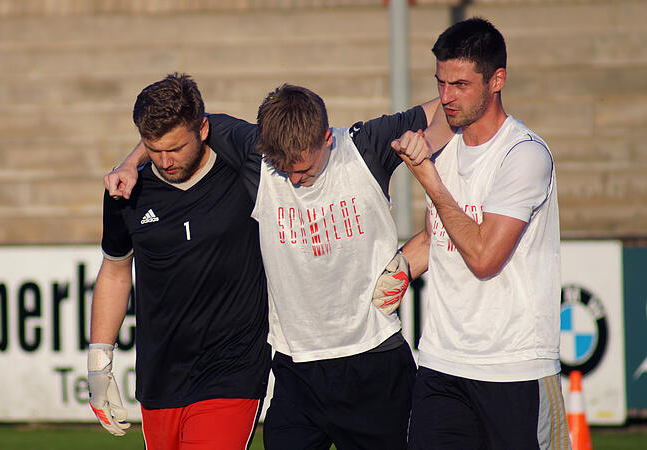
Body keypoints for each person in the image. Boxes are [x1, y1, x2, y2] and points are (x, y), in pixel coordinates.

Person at [108, 83, 451, 449]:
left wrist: (428, 142)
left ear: (326, 138)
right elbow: (179, 124)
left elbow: (451, 105)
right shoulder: (255, 153)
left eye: (303, 169)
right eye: (283, 169)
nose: (294, 180)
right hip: (294, 371)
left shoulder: (365, 146)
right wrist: (130, 162)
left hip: (373, 361)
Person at [393, 17, 570, 449]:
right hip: (441, 366)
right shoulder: (444, 143)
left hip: (515, 369)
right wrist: (381, 283)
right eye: (440, 82)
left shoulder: (524, 154)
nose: (446, 96)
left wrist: (430, 180)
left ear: (497, 81)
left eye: (460, 84)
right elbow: (435, 238)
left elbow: (484, 257)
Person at [87, 73, 271, 450]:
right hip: (160, 378)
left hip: (232, 371)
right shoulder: (125, 191)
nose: (166, 161)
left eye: (176, 147)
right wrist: (98, 363)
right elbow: (116, 271)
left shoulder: (242, 173)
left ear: (203, 129)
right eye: (154, 149)